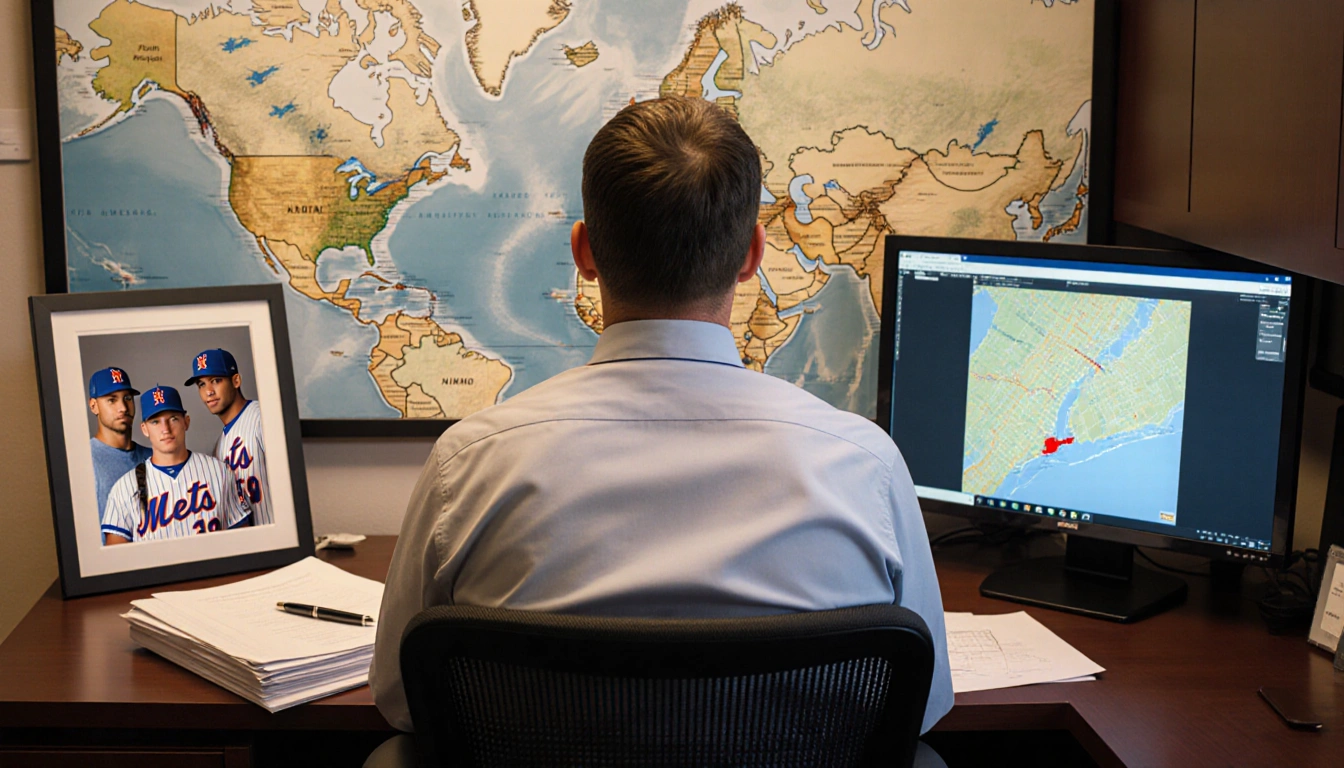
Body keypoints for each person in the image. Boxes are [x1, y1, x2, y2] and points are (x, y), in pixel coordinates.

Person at [371, 97, 953, 735]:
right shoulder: (865, 466)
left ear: (584, 252)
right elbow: (919, 710)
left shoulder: (470, 465)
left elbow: (402, 699)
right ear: (752, 255)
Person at [101, 386, 252, 544]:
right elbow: (117, 561)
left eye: (173, 419)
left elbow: (244, 543)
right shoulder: (124, 488)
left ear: (186, 422)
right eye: (155, 422)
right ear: (145, 429)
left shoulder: (219, 471)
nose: (165, 429)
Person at [186, 348, 272, 526]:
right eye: (201, 384)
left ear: (236, 380)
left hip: (280, 536)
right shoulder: (220, 446)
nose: (208, 391)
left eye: (216, 381)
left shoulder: (262, 418)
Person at [87, 366, 152, 520]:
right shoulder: (84, 461)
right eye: (112, 400)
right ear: (93, 406)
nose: (123, 408)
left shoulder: (155, 456)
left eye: (127, 398)